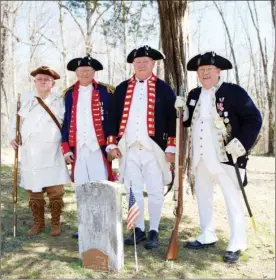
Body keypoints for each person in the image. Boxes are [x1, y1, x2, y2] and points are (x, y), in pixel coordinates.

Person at [175, 51, 262, 263]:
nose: (204, 73)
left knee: (232, 200)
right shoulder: (194, 94)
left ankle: (237, 242)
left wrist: (241, 143)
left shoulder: (234, 92)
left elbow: (254, 118)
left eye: (209, 70)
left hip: (227, 157)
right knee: (203, 197)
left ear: (218, 71)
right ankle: (207, 234)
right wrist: (182, 111)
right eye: (201, 70)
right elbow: (188, 123)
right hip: (201, 158)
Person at [106, 45, 177, 249]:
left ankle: (153, 230)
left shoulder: (164, 88)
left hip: (154, 148)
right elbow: (112, 118)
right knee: (132, 190)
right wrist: (111, 143)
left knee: (155, 190)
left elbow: (173, 119)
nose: (142, 65)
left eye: (146, 61)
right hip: (128, 147)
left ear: (153, 64)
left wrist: (171, 146)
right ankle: (137, 229)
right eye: (138, 62)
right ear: (133, 65)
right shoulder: (121, 89)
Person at [10, 66, 70, 236]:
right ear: (35, 82)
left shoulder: (60, 101)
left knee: (55, 190)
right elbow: (14, 123)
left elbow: (67, 125)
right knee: (33, 188)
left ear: (53, 83)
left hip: (53, 150)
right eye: (40, 79)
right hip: (31, 151)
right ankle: (38, 224)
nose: (43, 82)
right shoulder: (25, 99)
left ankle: (56, 224)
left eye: (47, 80)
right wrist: (12, 137)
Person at [61, 55, 114, 239]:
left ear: (94, 72)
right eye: (81, 70)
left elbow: (112, 120)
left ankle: (103, 225)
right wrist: (66, 148)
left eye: (88, 70)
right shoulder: (68, 94)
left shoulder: (107, 92)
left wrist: (111, 143)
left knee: (101, 187)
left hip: (98, 148)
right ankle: (84, 225)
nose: (84, 72)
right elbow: (65, 123)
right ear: (76, 72)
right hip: (78, 149)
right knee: (81, 189)